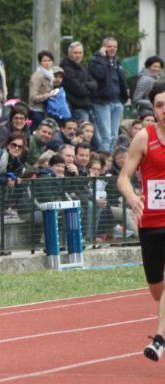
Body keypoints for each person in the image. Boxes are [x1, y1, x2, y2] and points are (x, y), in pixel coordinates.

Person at [116, 80, 165, 361]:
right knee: (157, 291)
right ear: (153, 109)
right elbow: (123, 178)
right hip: (151, 223)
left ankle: (159, 340)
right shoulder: (145, 137)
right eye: (159, 105)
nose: (164, 110)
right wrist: (133, 197)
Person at [88, 37, 128, 153]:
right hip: (102, 102)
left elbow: (121, 80)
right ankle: (102, 164)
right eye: (109, 46)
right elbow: (100, 75)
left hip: (117, 102)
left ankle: (110, 163)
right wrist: (103, 58)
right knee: (106, 137)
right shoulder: (95, 60)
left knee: (114, 137)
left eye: (115, 47)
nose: (112, 49)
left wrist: (124, 96)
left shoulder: (116, 61)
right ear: (104, 47)